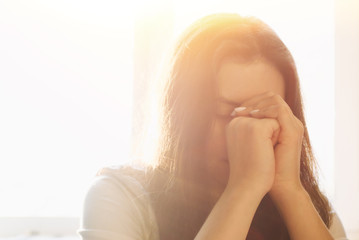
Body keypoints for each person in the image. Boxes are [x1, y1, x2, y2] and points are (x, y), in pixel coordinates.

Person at [77, 13, 348, 240]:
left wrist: (289, 189)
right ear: (184, 114)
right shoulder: (119, 197)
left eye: (265, 116)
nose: (247, 132)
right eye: (225, 112)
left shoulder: (309, 208)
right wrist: (244, 188)